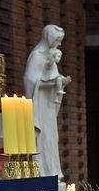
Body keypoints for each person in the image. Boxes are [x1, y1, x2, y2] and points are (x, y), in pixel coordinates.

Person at [23, 24, 71, 180]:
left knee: (51, 139)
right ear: (49, 38)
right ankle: (43, 172)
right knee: (43, 139)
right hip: (40, 106)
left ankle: (52, 171)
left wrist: (60, 82)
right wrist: (52, 83)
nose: (59, 43)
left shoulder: (52, 57)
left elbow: (52, 78)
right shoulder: (37, 56)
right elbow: (31, 81)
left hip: (48, 106)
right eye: (58, 40)